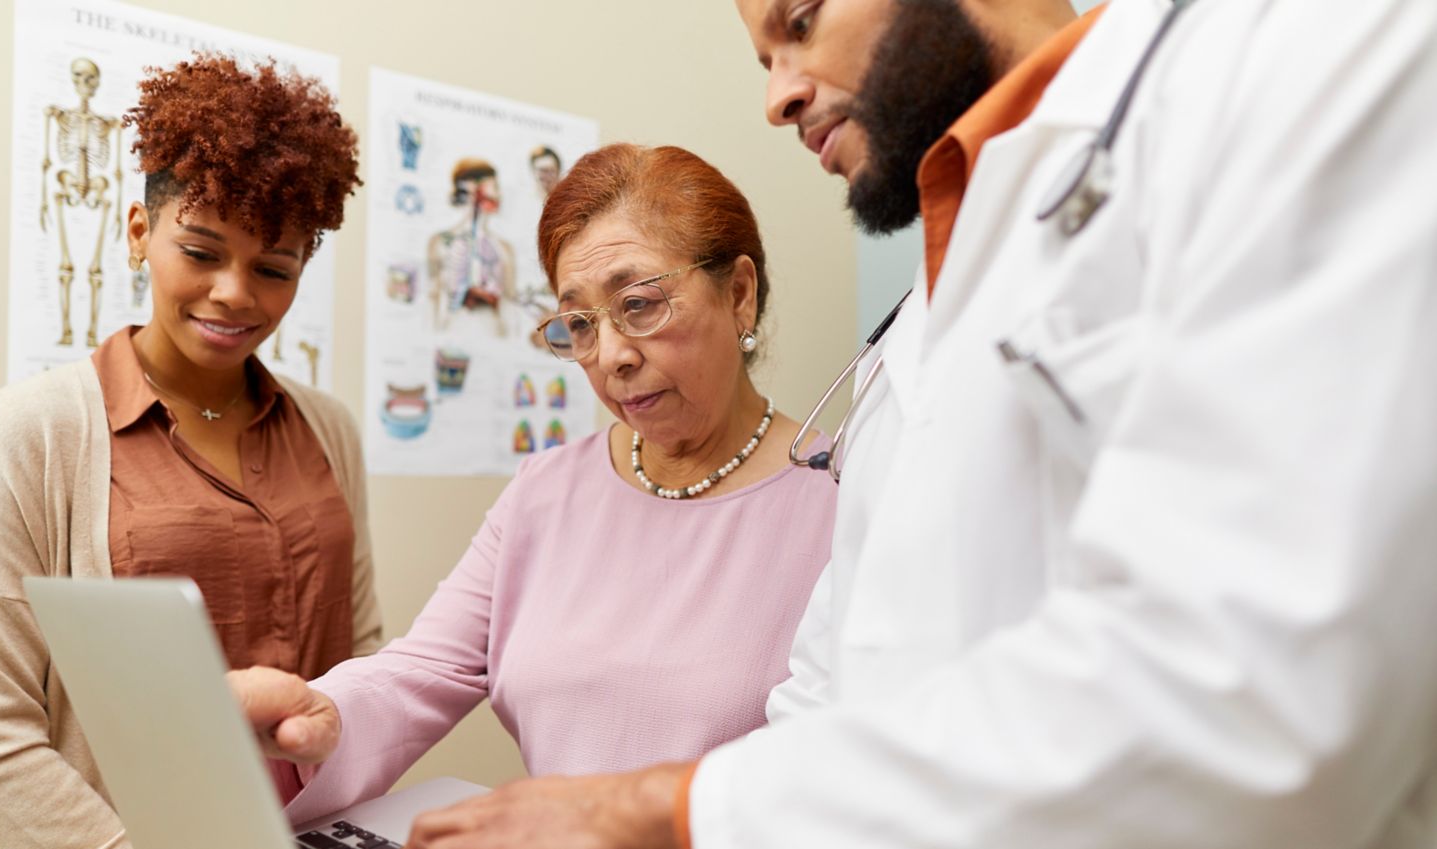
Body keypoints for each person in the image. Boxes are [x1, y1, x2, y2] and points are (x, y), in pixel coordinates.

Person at [361, 0, 1437, 847]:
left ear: (738, 296)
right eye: (576, 326)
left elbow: (1262, 702)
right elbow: (838, 685)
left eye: (802, 18)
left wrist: (664, 812)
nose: (779, 99)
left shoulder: (1301, 62)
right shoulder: (905, 341)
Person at [229, 143, 839, 826]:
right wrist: (324, 714)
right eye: (578, 324)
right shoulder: (546, 491)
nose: (611, 356)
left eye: (639, 304)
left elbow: (855, 779)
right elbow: (419, 671)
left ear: (739, 294)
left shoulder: (844, 497)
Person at [0, 54, 379, 849]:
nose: (235, 292)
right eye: (202, 253)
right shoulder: (29, 432)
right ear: (140, 233)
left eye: (273, 267)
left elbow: (363, 649)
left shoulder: (328, 429)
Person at [427, 158, 518, 336]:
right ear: (476, 190)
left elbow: (510, 303)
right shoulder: (440, 243)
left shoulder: (504, 249)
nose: (499, 195)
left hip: (495, 337)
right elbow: (434, 298)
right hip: (452, 333)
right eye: (495, 187)